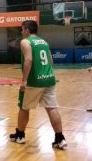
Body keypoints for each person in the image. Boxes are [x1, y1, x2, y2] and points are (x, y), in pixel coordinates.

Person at [9, 20, 67, 150]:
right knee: (51, 107)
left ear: (28, 30)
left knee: (24, 107)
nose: (22, 31)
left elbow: (28, 60)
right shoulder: (44, 42)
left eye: (22, 29)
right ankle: (60, 138)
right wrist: (47, 73)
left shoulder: (25, 41)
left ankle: (20, 135)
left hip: (34, 81)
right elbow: (51, 61)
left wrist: (24, 80)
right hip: (49, 79)